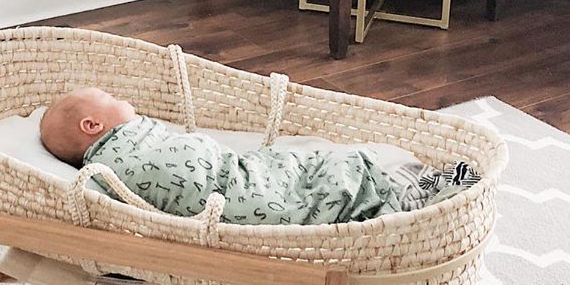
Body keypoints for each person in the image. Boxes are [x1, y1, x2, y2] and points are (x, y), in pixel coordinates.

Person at [39, 86, 478, 226]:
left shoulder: (116, 155)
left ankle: (411, 189)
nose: (122, 99)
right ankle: (416, 200)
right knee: (333, 173)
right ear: (92, 127)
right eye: (110, 97)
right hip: (238, 190)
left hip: (239, 172)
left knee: (311, 164)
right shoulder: (115, 159)